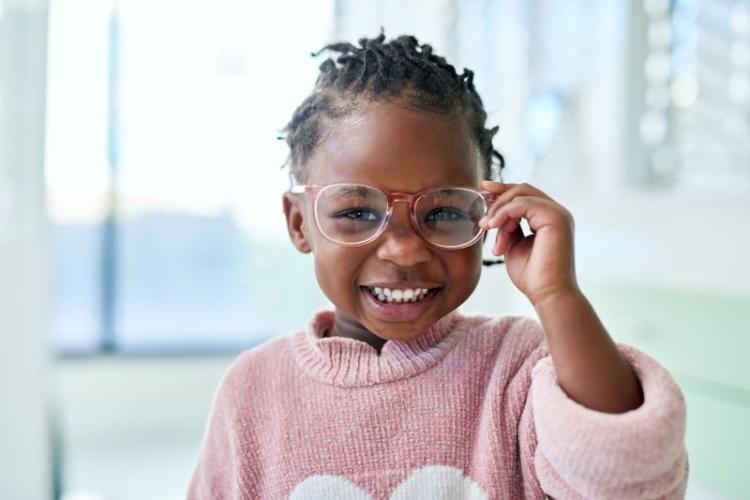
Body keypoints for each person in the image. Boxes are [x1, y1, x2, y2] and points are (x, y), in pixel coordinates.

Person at [187, 31, 688, 499]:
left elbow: (628, 478)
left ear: (488, 214)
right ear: (300, 224)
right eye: (357, 213)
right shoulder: (253, 389)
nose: (404, 251)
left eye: (444, 211)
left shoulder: (522, 367)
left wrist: (558, 295)